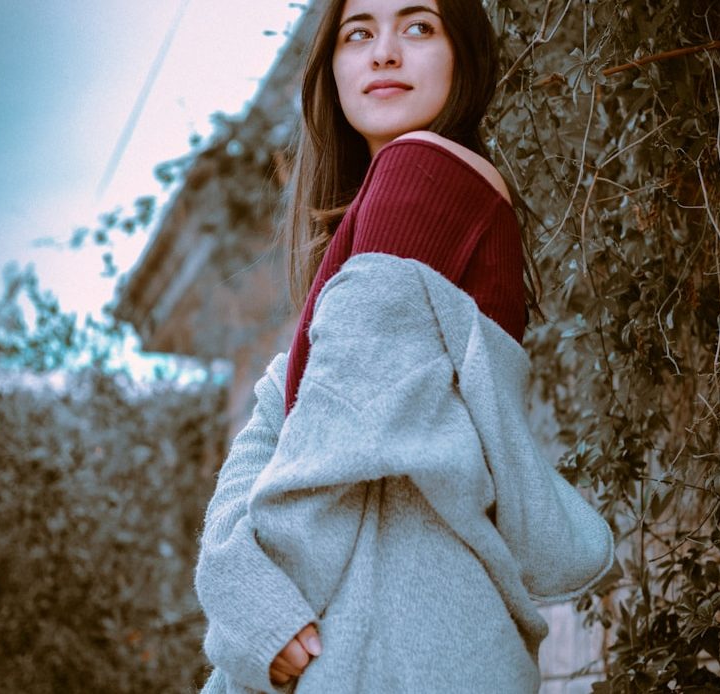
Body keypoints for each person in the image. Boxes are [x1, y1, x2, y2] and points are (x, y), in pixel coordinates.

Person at [195, 1, 614, 692]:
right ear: (331, 68)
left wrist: (259, 611)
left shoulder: (423, 170)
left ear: (464, 55)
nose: (384, 52)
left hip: (402, 637)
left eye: (419, 27)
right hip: (406, 638)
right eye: (359, 33)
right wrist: (238, 587)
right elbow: (269, 438)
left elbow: (327, 442)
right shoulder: (377, 218)